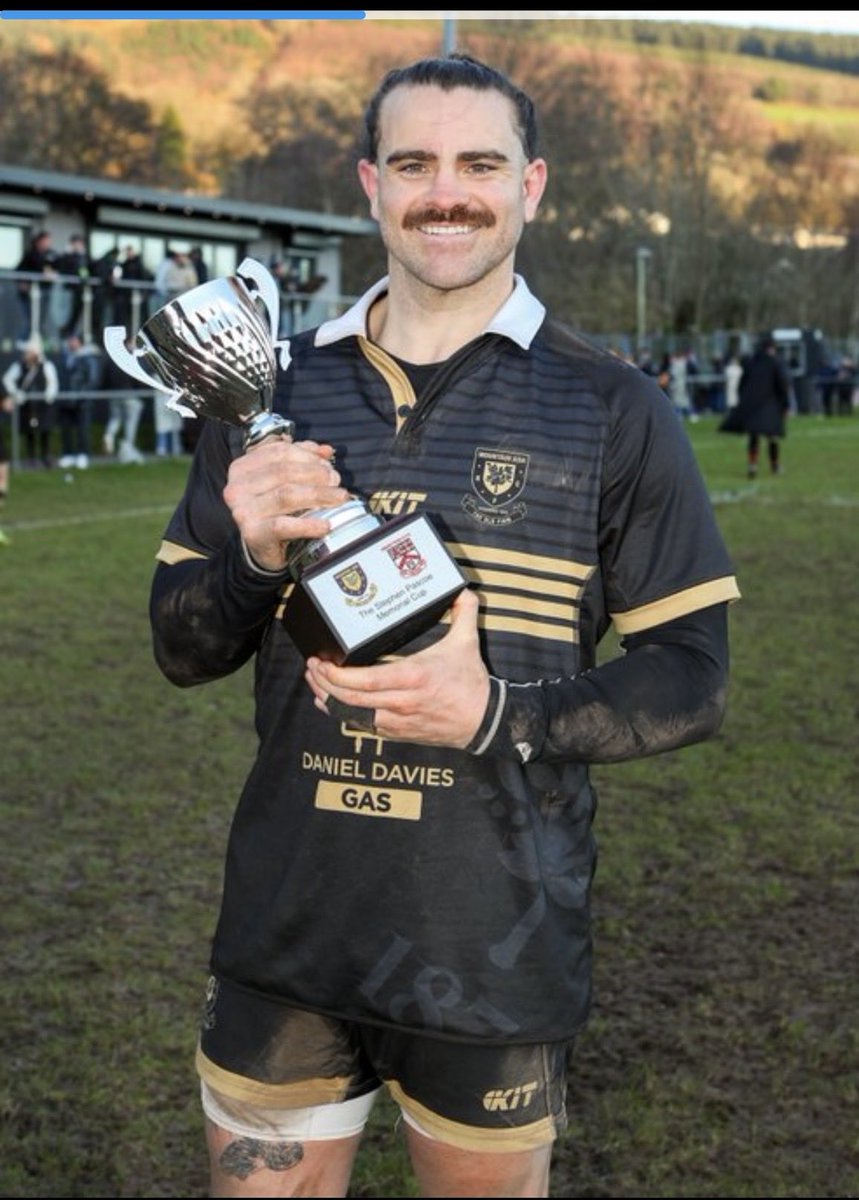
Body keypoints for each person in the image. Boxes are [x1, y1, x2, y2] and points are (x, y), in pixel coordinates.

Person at [149, 53, 740, 1198]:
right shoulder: (271, 392)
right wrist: (254, 559)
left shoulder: (615, 408)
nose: (445, 191)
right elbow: (182, 648)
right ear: (372, 185)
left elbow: (691, 676)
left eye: (480, 163)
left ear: (534, 187)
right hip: (287, 930)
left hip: (493, 947)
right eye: (414, 163)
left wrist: (495, 713)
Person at [719, 334, 791, 477]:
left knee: (753, 437)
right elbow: (782, 385)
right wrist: (785, 404)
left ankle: (752, 465)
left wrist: (743, 401)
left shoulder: (751, 362)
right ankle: (775, 466)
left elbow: (741, 385)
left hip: (752, 406)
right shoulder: (774, 362)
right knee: (773, 438)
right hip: (770, 406)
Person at [2, 338, 59, 468]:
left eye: (28, 352)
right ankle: (31, 457)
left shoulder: (46, 365)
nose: (26, 355)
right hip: (27, 406)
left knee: (45, 431)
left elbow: (53, 383)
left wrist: (48, 396)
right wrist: (17, 394)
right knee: (29, 432)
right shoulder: (20, 366)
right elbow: (7, 379)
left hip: (43, 406)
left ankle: (46, 456)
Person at [57, 333, 101, 470]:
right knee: (66, 429)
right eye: (70, 340)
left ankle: (83, 454)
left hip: (82, 402)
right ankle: (68, 454)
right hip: (66, 401)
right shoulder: (65, 358)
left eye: (74, 340)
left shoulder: (88, 359)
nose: (71, 343)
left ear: (80, 342)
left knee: (83, 429)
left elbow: (92, 380)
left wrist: (81, 396)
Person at [102, 337, 147, 464]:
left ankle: (109, 435)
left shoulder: (112, 358)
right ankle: (127, 449)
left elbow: (105, 377)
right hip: (130, 395)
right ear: (128, 344)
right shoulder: (131, 358)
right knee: (131, 423)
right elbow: (138, 378)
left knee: (115, 418)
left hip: (114, 395)